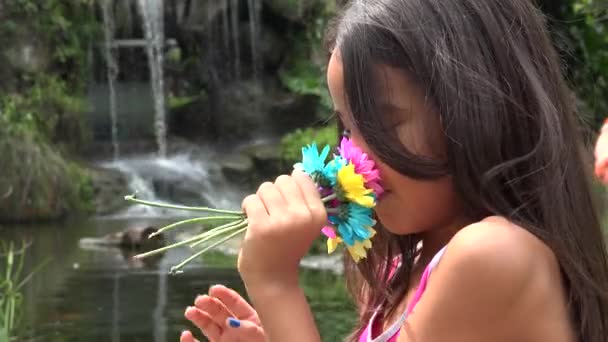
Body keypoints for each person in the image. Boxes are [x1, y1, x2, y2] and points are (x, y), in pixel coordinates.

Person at [180, 0, 608, 341]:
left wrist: (275, 285)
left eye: (384, 122)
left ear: (476, 111)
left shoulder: (494, 255)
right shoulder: (402, 269)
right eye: (348, 128)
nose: (351, 159)